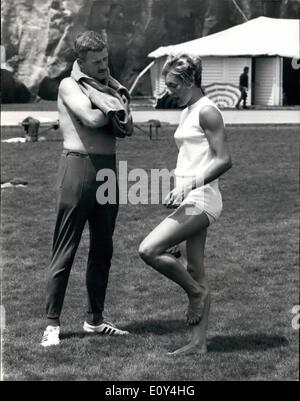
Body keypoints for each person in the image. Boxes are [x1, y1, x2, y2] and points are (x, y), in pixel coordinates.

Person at [41, 31, 131, 346]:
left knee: (103, 249)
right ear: (81, 61)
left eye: (106, 59)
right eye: (97, 62)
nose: (105, 66)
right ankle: (52, 325)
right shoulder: (69, 84)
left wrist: (113, 103)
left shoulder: (108, 84)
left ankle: (95, 320)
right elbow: (93, 119)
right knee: (65, 249)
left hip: (108, 171)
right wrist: (112, 106)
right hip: (78, 168)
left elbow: (125, 122)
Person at [139, 54, 232, 355]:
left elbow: (224, 160)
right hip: (191, 197)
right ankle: (198, 343)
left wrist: (187, 187)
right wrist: (180, 188)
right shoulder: (188, 109)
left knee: (149, 249)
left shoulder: (208, 112)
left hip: (202, 199)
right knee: (195, 267)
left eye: (172, 85)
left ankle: (194, 293)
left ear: (189, 81)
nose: (169, 91)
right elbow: (194, 158)